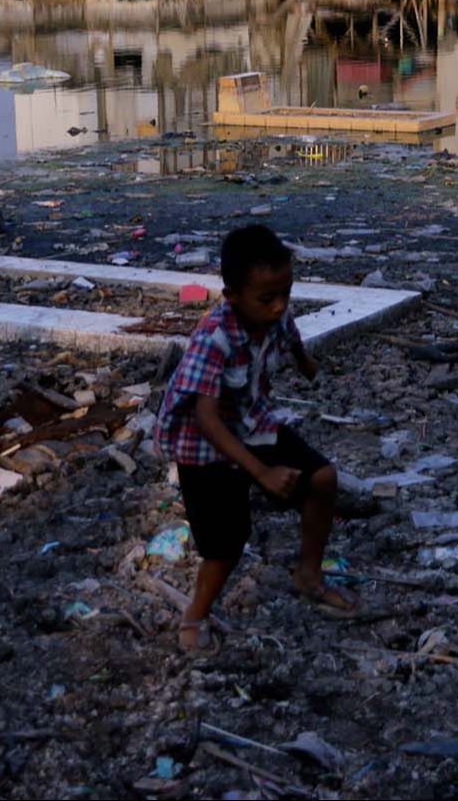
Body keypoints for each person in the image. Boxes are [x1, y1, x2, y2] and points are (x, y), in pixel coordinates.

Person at [155, 224, 354, 652]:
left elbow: (291, 338)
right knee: (225, 545)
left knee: (322, 478)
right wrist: (261, 472)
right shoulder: (214, 338)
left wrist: (307, 365)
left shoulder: (277, 313)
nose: (280, 305)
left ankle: (309, 575)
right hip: (205, 446)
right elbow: (206, 417)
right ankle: (195, 615)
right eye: (267, 298)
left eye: (287, 292)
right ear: (232, 297)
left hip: (251, 421)